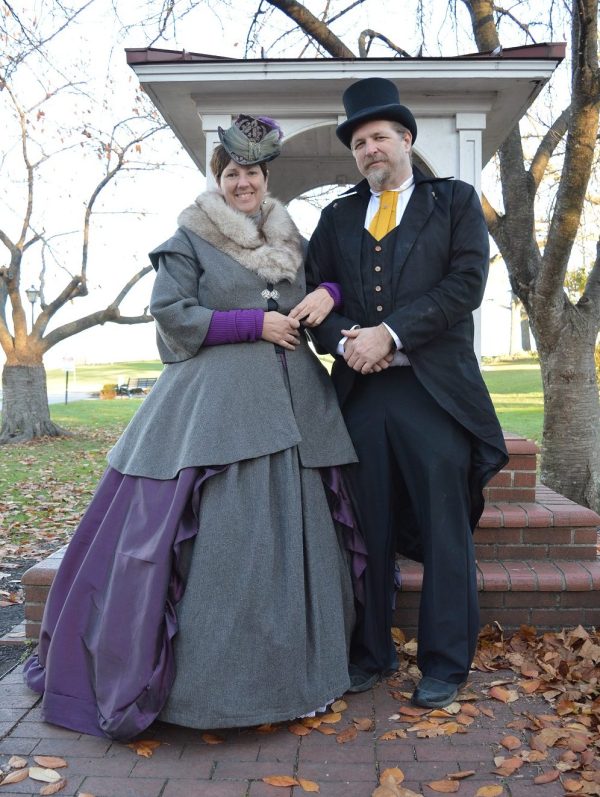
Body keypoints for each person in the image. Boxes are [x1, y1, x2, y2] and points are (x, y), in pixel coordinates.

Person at [24, 113, 365, 740]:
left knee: (298, 544)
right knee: (216, 547)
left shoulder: (290, 240)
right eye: (233, 173)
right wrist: (250, 325)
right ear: (219, 178)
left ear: (266, 178)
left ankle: (300, 677)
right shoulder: (189, 238)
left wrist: (331, 293)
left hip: (296, 408)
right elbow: (171, 315)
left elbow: (307, 306)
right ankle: (212, 694)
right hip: (215, 412)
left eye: (254, 173)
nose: (245, 183)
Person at [304, 78, 509, 709]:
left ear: (406, 140)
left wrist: (390, 334)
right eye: (359, 142)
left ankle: (446, 664)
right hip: (362, 396)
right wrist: (346, 343)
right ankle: (370, 653)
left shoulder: (452, 202)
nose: (369, 149)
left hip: (433, 392)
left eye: (379, 137)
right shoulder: (336, 216)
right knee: (367, 528)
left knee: (446, 530)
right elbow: (317, 294)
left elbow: (465, 285)